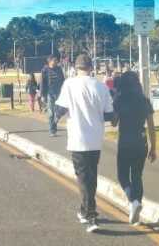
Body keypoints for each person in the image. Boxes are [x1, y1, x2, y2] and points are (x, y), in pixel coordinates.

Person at [52, 54, 114, 233]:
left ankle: (90, 215)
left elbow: (60, 109)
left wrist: (55, 119)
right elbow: (108, 115)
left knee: (83, 178)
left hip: (78, 138)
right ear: (91, 67)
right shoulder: (101, 86)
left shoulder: (69, 84)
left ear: (76, 67)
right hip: (95, 139)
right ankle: (84, 209)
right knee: (91, 177)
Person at [111, 71, 157, 225]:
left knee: (123, 176)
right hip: (141, 142)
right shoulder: (144, 101)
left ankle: (133, 201)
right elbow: (151, 126)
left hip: (125, 142)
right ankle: (136, 203)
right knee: (137, 175)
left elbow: (114, 122)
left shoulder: (119, 100)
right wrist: (153, 148)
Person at [40, 54, 66, 137]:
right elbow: (42, 83)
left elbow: (63, 80)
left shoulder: (59, 69)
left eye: (56, 60)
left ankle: (54, 125)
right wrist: (42, 95)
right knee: (51, 113)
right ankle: (52, 130)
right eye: (54, 60)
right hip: (49, 94)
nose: (56, 62)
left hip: (59, 93)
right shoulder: (45, 70)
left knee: (58, 112)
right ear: (50, 61)